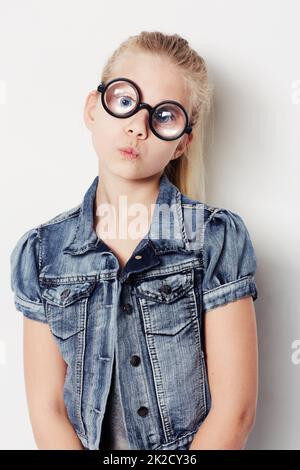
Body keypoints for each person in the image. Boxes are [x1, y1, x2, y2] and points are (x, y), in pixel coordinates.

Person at [10, 31, 259, 450]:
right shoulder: (41, 252)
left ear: (182, 142)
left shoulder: (215, 238)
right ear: (93, 108)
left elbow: (235, 412)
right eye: (125, 101)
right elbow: (47, 409)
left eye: (164, 116)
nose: (137, 127)